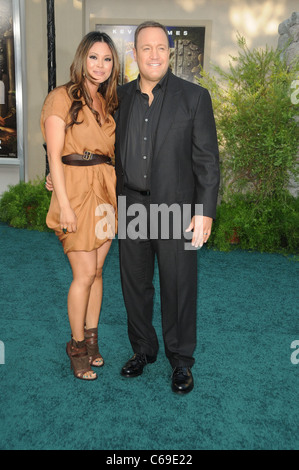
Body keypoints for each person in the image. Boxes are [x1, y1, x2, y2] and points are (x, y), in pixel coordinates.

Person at [114, 21, 220, 394]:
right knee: (134, 285)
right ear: (135, 54)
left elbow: (207, 160)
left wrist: (204, 210)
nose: (154, 54)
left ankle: (181, 361)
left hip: (177, 209)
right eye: (146, 48)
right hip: (131, 206)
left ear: (170, 53)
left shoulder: (194, 97)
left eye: (161, 47)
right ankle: (142, 350)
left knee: (179, 286)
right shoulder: (122, 97)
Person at [41, 31, 119, 381]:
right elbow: (54, 156)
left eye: (106, 59)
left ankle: (92, 340)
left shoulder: (106, 101)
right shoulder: (62, 97)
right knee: (83, 273)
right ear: (81, 58)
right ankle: (76, 346)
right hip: (74, 190)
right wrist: (64, 203)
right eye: (93, 57)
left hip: (105, 190)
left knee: (99, 273)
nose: (100, 65)